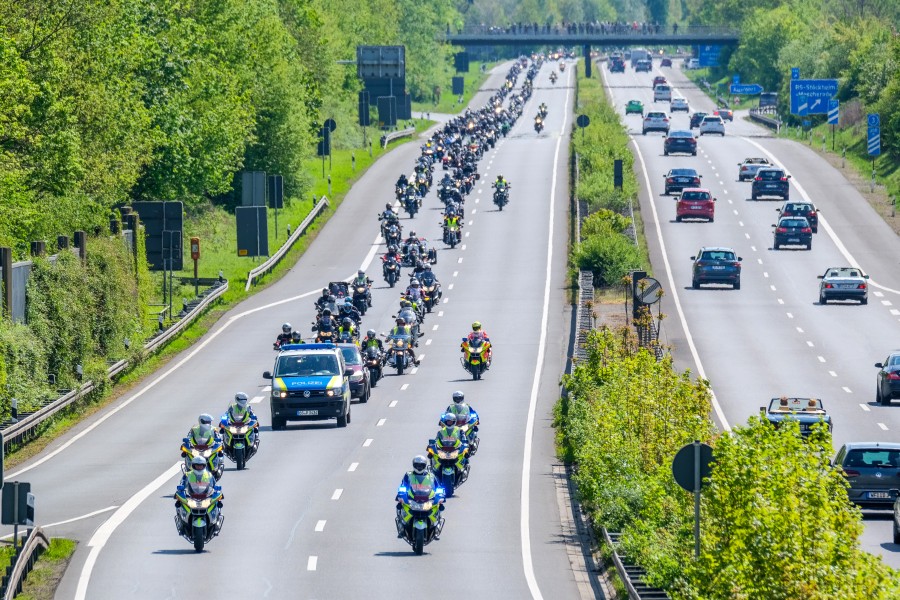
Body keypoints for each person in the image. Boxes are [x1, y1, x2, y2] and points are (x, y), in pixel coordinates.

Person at [395, 455, 444, 538]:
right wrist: (401, 493)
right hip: (413, 498)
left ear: (425, 466)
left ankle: (436, 528)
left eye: (421, 465)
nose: (419, 467)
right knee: (400, 506)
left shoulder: (431, 476)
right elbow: (403, 485)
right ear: (413, 465)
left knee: (438, 507)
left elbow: (438, 487)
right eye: (417, 465)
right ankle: (402, 528)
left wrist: (441, 495)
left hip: (427, 498)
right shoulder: (408, 474)